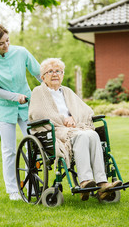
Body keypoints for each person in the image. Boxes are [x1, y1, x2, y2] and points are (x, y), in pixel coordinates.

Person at [29, 58, 122, 201]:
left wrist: (73, 117)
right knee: (82, 136)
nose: (55, 74)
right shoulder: (38, 92)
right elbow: (37, 113)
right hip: (55, 130)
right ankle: (85, 181)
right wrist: (62, 119)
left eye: (58, 71)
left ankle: (102, 183)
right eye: (51, 71)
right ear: (43, 77)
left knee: (92, 134)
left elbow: (85, 110)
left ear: (62, 75)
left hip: (75, 127)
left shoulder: (66, 91)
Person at [0, 24, 41, 200]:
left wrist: (48, 88)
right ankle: (13, 190)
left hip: (27, 105)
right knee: (9, 150)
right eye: (1, 43)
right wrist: (16, 97)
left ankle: (30, 185)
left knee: (32, 145)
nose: (6, 45)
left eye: (7, 41)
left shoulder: (21, 52)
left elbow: (38, 73)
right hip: (4, 109)